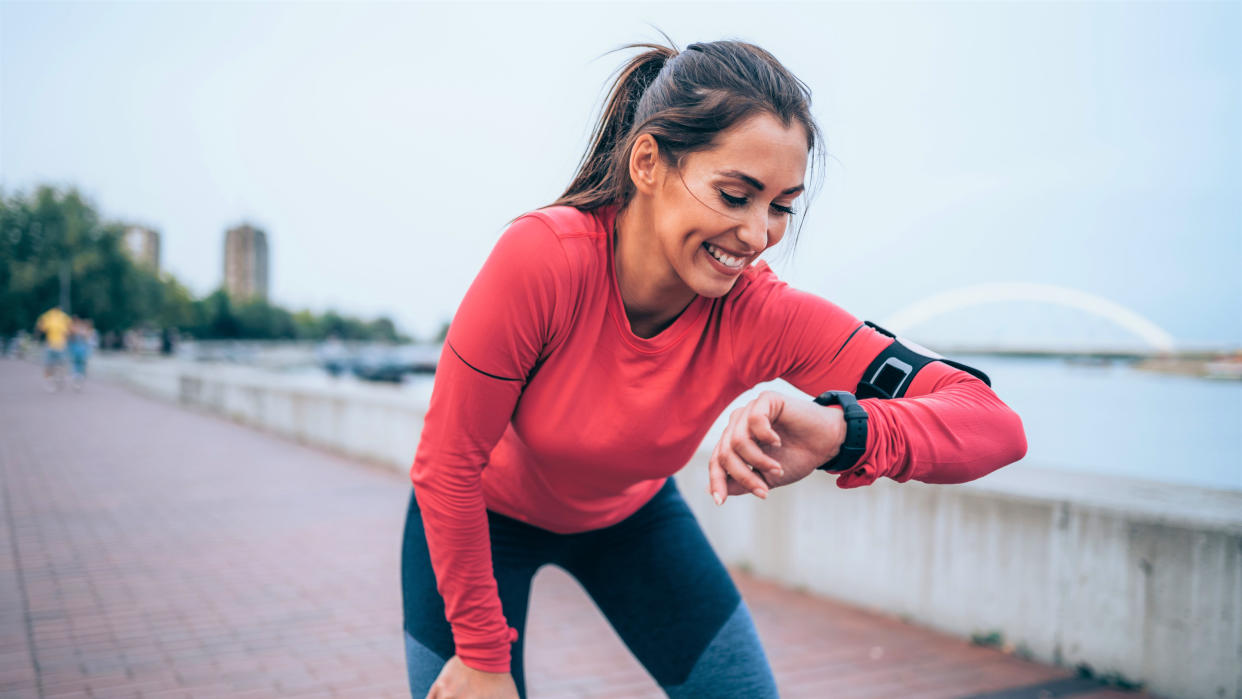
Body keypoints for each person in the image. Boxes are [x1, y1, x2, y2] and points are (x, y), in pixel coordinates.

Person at [402, 38, 1028, 699]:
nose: (759, 235)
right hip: (481, 519)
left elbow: (994, 423)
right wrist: (481, 654)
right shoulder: (544, 259)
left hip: (631, 521)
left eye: (781, 206)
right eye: (736, 195)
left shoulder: (762, 315)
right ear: (647, 161)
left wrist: (841, 431)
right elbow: (448, 462)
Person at [35, 305, 72, 392]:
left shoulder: (48, 316)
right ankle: (57, 379)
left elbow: (40, 327)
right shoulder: (63, 316)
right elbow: (70, 331)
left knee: (50, 365)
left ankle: (53, 380)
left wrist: (36, 337)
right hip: (59, 345)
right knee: (58, 365)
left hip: (54, 344)